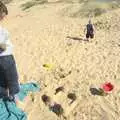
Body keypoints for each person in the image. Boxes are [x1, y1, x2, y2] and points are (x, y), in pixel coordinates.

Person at [0, 1, 20, 102]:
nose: (3, 18)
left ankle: (3, 95)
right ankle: (14, 96)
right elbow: (2, 47)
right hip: (5, 57)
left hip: (3, 58)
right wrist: (5, 46)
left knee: (2, 78)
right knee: (12, 78)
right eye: (2, 16)